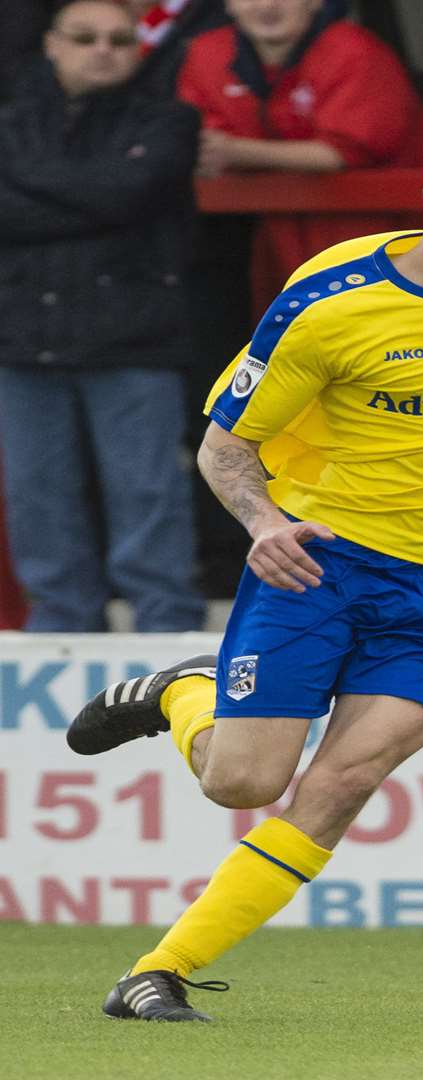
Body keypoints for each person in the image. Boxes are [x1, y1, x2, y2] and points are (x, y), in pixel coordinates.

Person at [62, 118, 423, 1021]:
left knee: (341, 785)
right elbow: (226, 445)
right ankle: (183, 691)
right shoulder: (331, 303)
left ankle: (161, 971)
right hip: (326, 565)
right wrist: (265, 522)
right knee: (242, 782)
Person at [0, 0, 205, 632]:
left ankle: (166, 629)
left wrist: (33, 186)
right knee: (37, 497)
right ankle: (60, 625)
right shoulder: (10, 120)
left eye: (120, 39)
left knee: (147, 494)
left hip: (135, 335)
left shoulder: (172, 119)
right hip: (23, 335)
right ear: (51, 45)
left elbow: (130, 193)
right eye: (85, 37)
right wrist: (98, 194)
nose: (104, 49)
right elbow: (113, 195)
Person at [175, 0, 423, 311]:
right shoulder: (208, 53)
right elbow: (201, 146)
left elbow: (343, 151)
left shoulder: (355, 49)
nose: (267, 5)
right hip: (272, 237)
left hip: (374, 235)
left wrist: (237, 152)